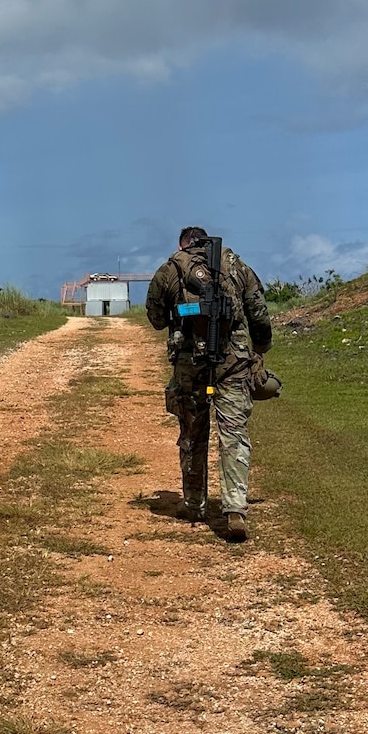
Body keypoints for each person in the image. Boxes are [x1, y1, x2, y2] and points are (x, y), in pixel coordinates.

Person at [145, 225, 272, 538]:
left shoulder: (169, 270)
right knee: (234, 435)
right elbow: (259, 316)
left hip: (191, 366)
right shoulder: (238, 267)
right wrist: (259, 349)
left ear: (183, 244)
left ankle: (194, 503)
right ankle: (235, 509)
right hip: (233, 364)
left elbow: (156, 320)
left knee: (192, 434)